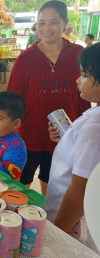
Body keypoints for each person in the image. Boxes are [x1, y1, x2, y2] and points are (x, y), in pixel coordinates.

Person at [7, 0, 90, 196]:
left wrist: (82, 132)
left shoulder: (79, 54)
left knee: (53, 185)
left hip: (66, 136)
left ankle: (48, 222)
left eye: (53, 22)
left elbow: (85, 99)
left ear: (65, 23)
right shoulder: (26, 59)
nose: (46, 28)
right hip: (29, 135)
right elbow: (13, 99)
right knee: (20, 185)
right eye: (41, 23)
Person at [46, 43, 100, 254]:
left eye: (85, 76)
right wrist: (66, 141)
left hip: (71, 223)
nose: (78, 80)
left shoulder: (94, 127)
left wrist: (57, 234)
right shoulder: (93, 118)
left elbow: (80, 190)